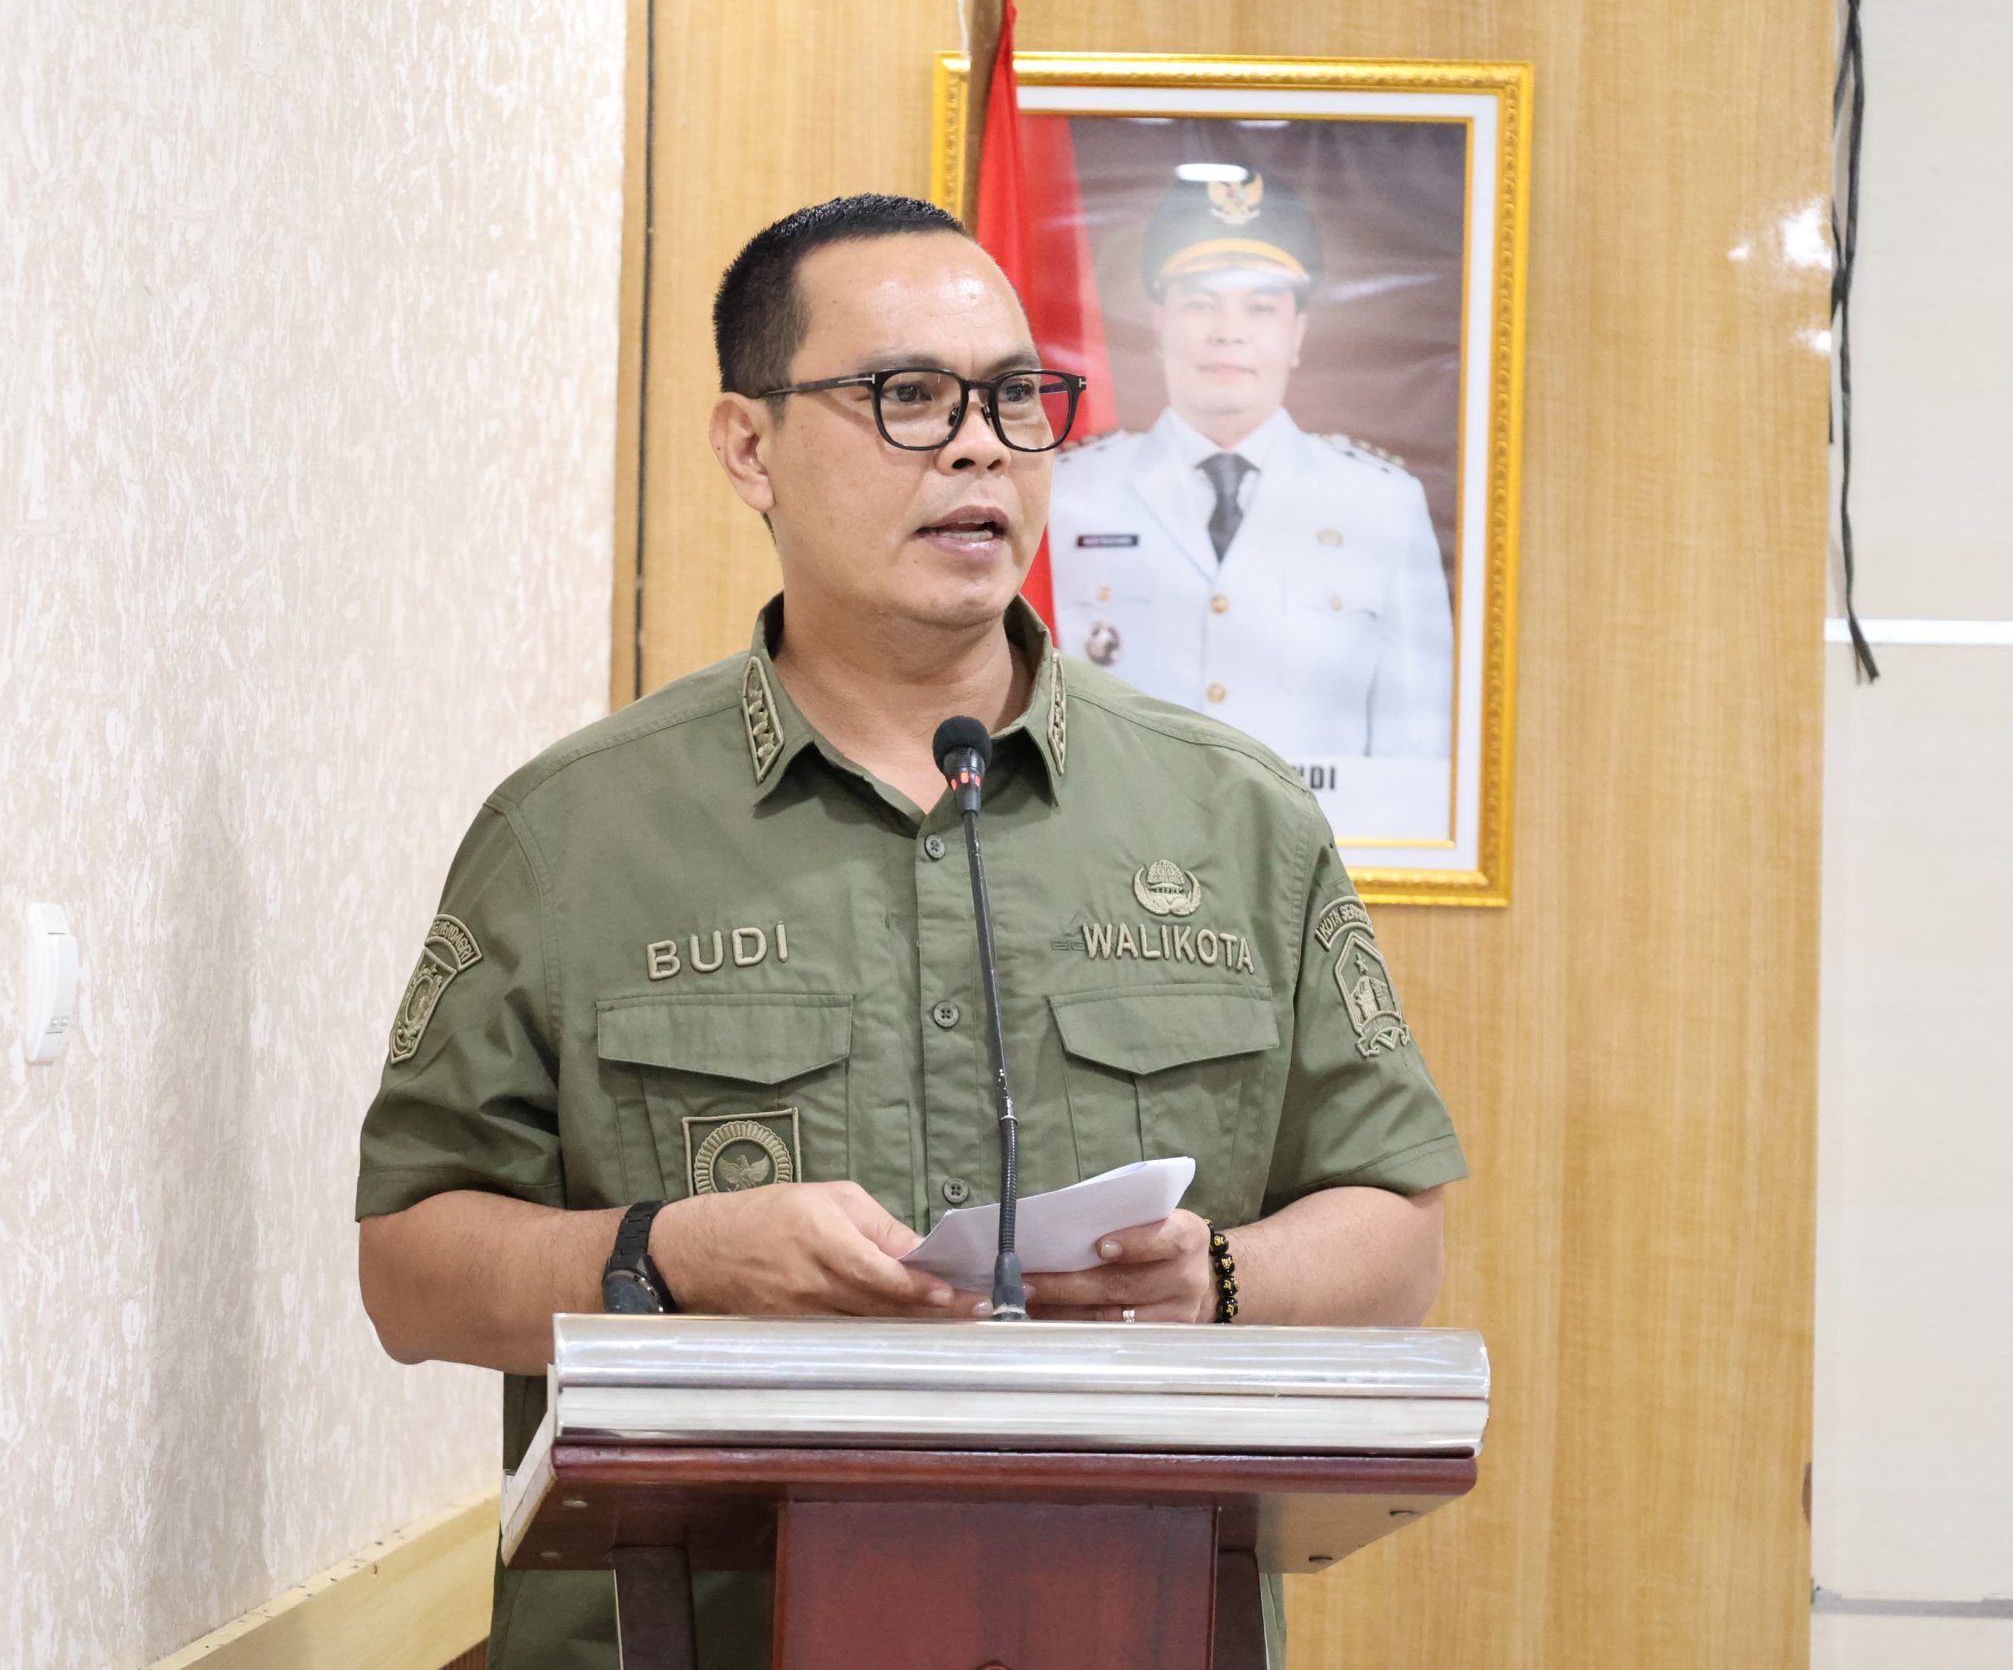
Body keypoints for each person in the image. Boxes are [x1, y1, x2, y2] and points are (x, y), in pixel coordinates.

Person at [354, 193, 1467, 1669]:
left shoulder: (1236, 819)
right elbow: (409, 1262)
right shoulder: (574, 832)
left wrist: (1214, 1279)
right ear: (748, 446)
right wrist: (669, 1253)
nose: (979, 447)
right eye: (908, 397)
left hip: (1120, 1623)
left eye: (1014, 399)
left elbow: (1396, 1229)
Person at [1046, 167, 1456, 760]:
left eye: (1260, 308)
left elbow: (1416, 747)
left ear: (1297, 334)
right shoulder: (1068, 494)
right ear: (1158, 325)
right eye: (1199, 303)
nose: (1228, 334)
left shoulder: (1382, 505)